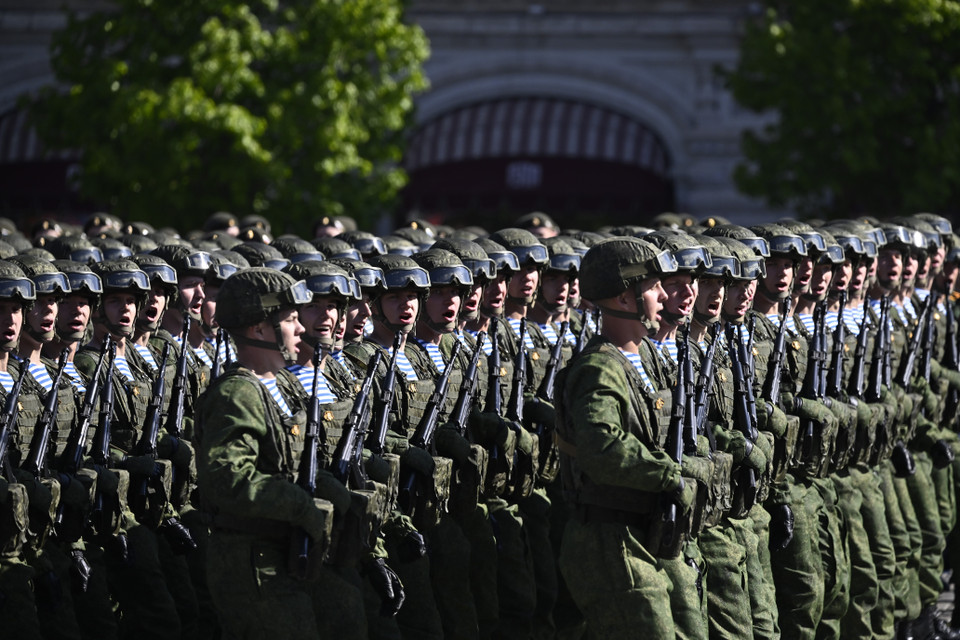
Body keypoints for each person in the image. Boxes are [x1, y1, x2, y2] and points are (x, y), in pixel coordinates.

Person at [555, 236, 697, 639]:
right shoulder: (600, 367)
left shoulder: (645, 356)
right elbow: (603, 449)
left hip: (647, 532)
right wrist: (671, 475)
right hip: (612, 542)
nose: (663, 294)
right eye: (652, 287)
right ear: (622, 298)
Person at [196, 267, 346, 640]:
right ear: (259, 329)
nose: (300, 328)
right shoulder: (238, 393)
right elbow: (229, 479)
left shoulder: (280, 386)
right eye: (291, 319)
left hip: (284, 555)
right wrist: (300, 505)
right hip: (254, 564)